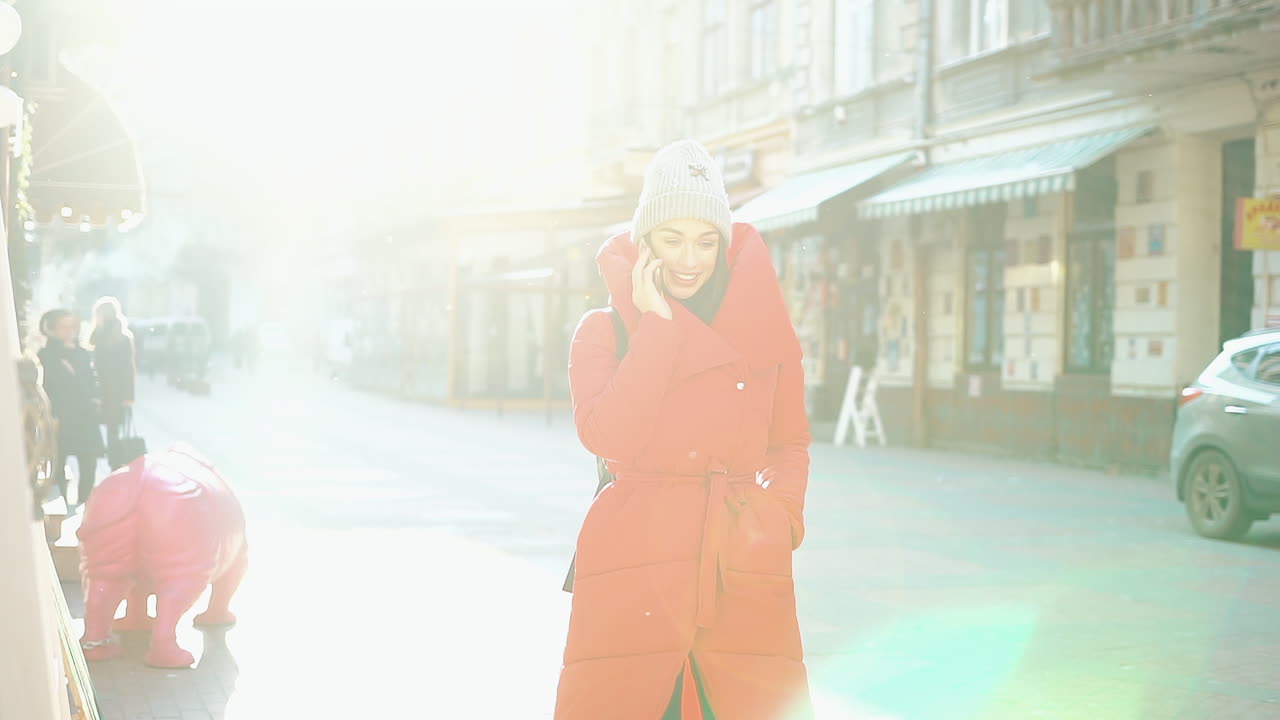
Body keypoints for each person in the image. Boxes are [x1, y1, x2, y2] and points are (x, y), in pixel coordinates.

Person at [555, 140, 813, 719]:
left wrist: (781, 518)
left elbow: (788, 442)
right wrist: (659, 330)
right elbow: (609, 438)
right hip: (634, 565)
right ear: (644, 243)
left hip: (740, 566)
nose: (689, 259)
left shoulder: (764, 333)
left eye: (704, 241)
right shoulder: (604, 332)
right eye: (671, 240)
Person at [38, 309, 104, 508]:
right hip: (60, 418)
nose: (69, 332)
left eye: (72, 327)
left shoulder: (83, 354)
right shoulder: (46, 356)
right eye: (63, 327)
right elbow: (44, 388)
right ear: (52, 329)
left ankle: (84, 503)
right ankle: (61, 506)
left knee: (89, 461)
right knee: (57, 464)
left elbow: (92, 381)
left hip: (85, 417)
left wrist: (95, 399)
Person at [89, 297, 136, 446]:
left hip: (103, 391)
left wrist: (129, 395)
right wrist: (128, 395)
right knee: (113, 430)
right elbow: (129, 368)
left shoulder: (108, 336)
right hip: (114, 392)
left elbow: (128, 368)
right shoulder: (121, 336)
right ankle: (114, 461)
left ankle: (110, 459)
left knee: (106, 428)